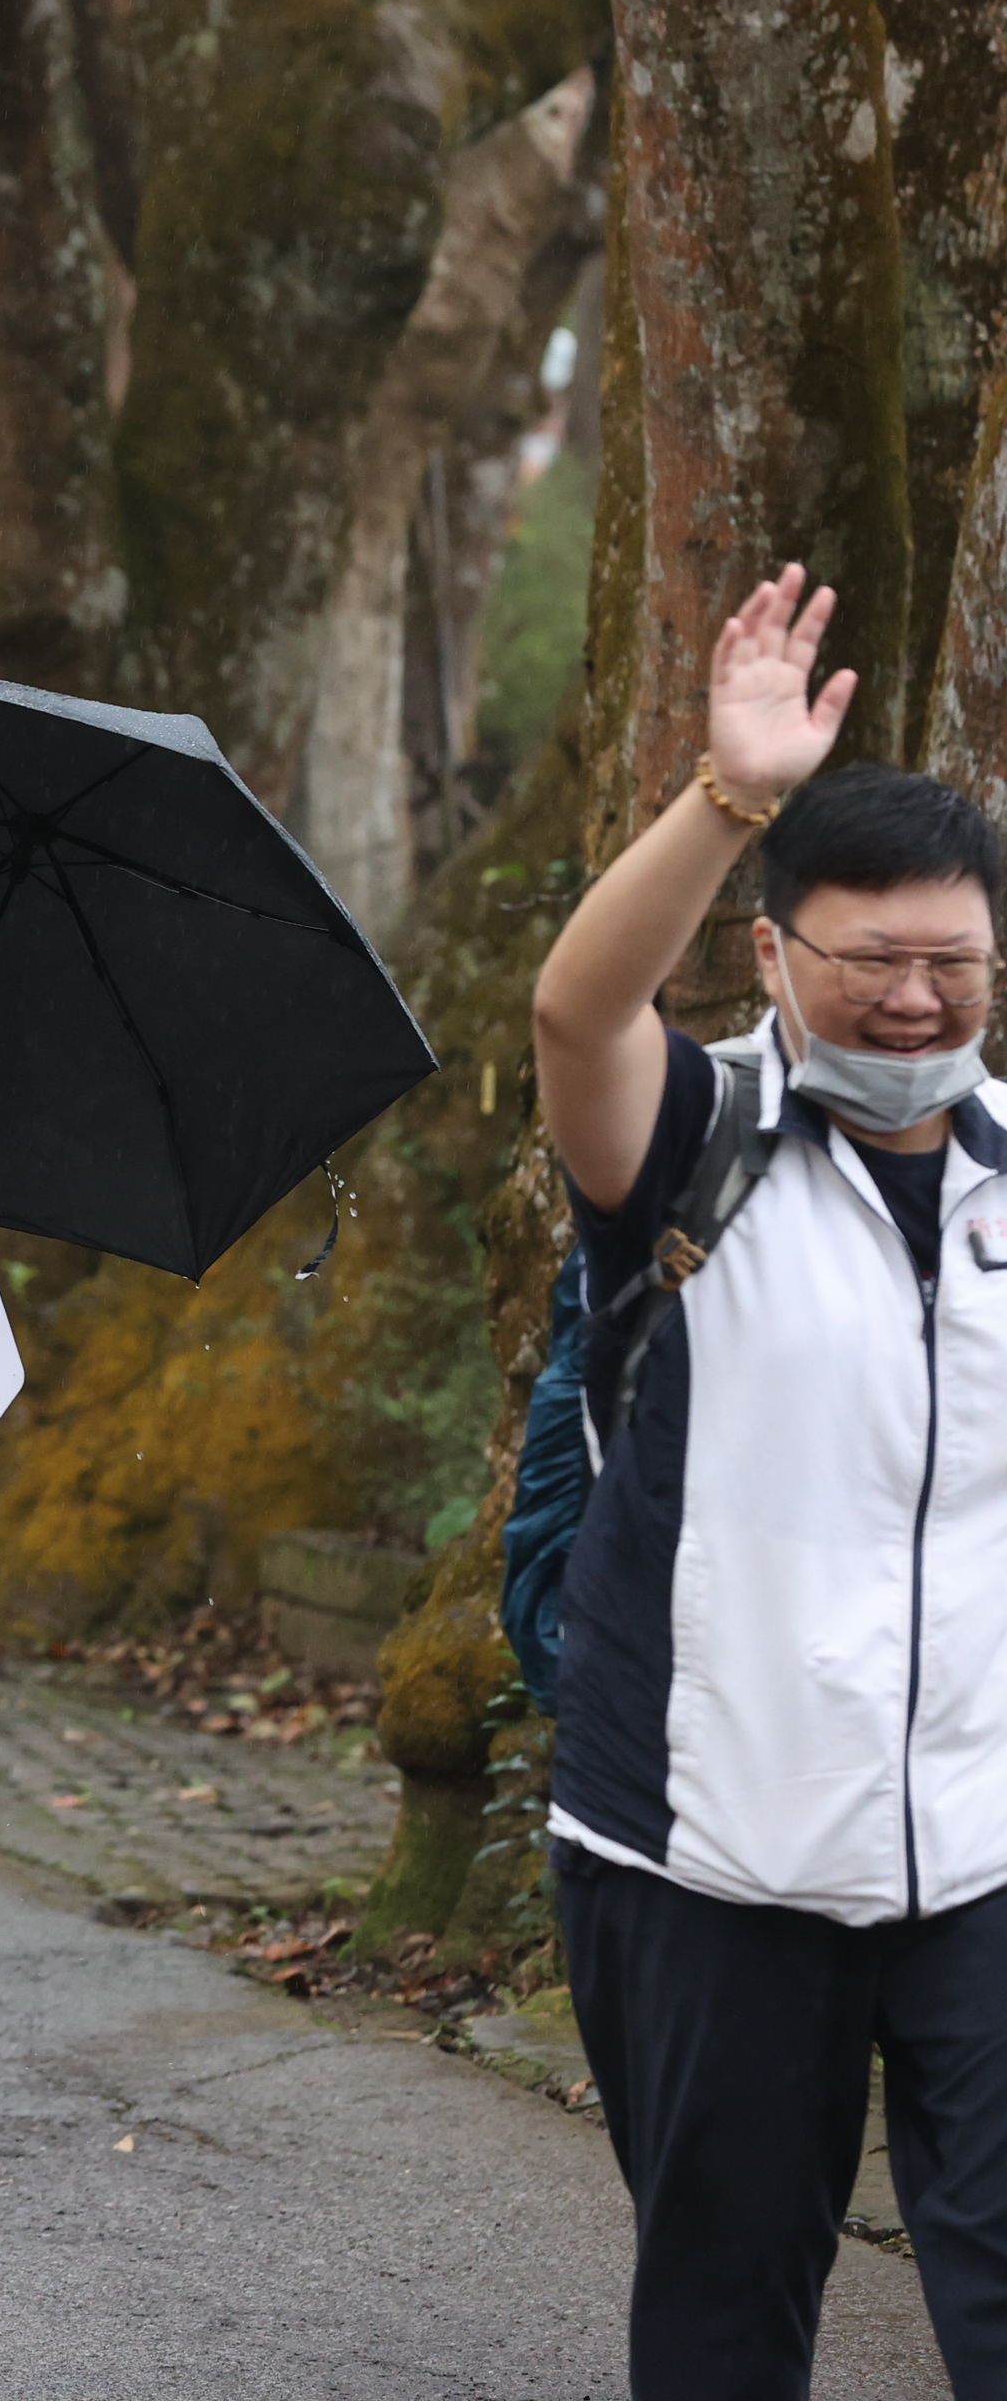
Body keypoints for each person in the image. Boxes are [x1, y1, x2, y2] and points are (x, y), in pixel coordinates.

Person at [528, 563, 1007, 2401]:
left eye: (949, 963)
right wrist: (728, 796)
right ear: (768, 953)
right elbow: (574, 1014)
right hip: (708, 1843)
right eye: (866, 958)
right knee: (727, 2323)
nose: (909, 998)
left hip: (974, 1844)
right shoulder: (694, 1141)